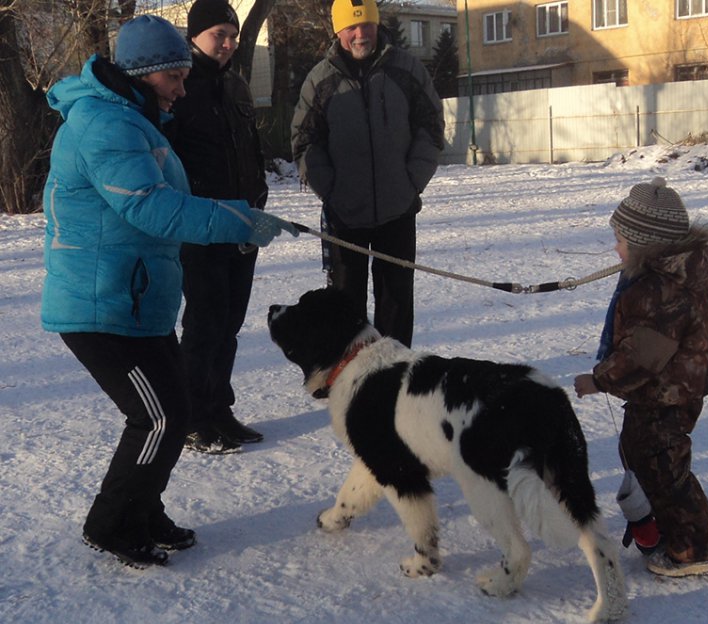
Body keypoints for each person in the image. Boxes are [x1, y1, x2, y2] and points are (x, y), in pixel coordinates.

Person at [42, 14, 296, 568]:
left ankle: (142, 509)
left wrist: (240, 214)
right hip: (99, 303)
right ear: (141, 73)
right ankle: (110, 524)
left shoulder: (135, 118)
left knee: (175, 411)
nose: (182, 89)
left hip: (134, 298)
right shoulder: (104, 123)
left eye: (183, 77)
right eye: (174, 78)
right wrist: (239, 220)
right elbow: (151, 208)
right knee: (156, 417)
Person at [573, 176, 708, 578]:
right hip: (667, 390)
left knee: (664, 470)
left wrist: (599, 380)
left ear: (645, 246)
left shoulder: (660, 292)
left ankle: (695, 550)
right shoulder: (669, 278)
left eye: (621, 240)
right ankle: (662, 528)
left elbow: (640, 356)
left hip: (667, 392)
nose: (615, 248)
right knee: (643, 456)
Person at [291, 0, 444, 348]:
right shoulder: (320, 79)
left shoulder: (406, 69)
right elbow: (304, 140)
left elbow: (432, 125)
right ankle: (351, 372)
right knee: (344, 307)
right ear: (338, 31)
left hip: (398, 209)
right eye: (352, 27)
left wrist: (410, 182)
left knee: (396, 302)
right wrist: (331, 190)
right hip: (345, 215)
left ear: (377, 25)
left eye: (367, 25)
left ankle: (394, 371)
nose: (361, 34)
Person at [166, 0, 268, 454]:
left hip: (243, 223)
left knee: (229, 324)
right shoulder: (180, 87)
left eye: (232, 35)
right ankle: (192, 417)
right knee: (204, 325)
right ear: (194, 37)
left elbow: (252, 148)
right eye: (218, 35)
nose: (227, 44)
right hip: (200, 228)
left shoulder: (237, 85)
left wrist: (259, 196)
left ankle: (219, 409)